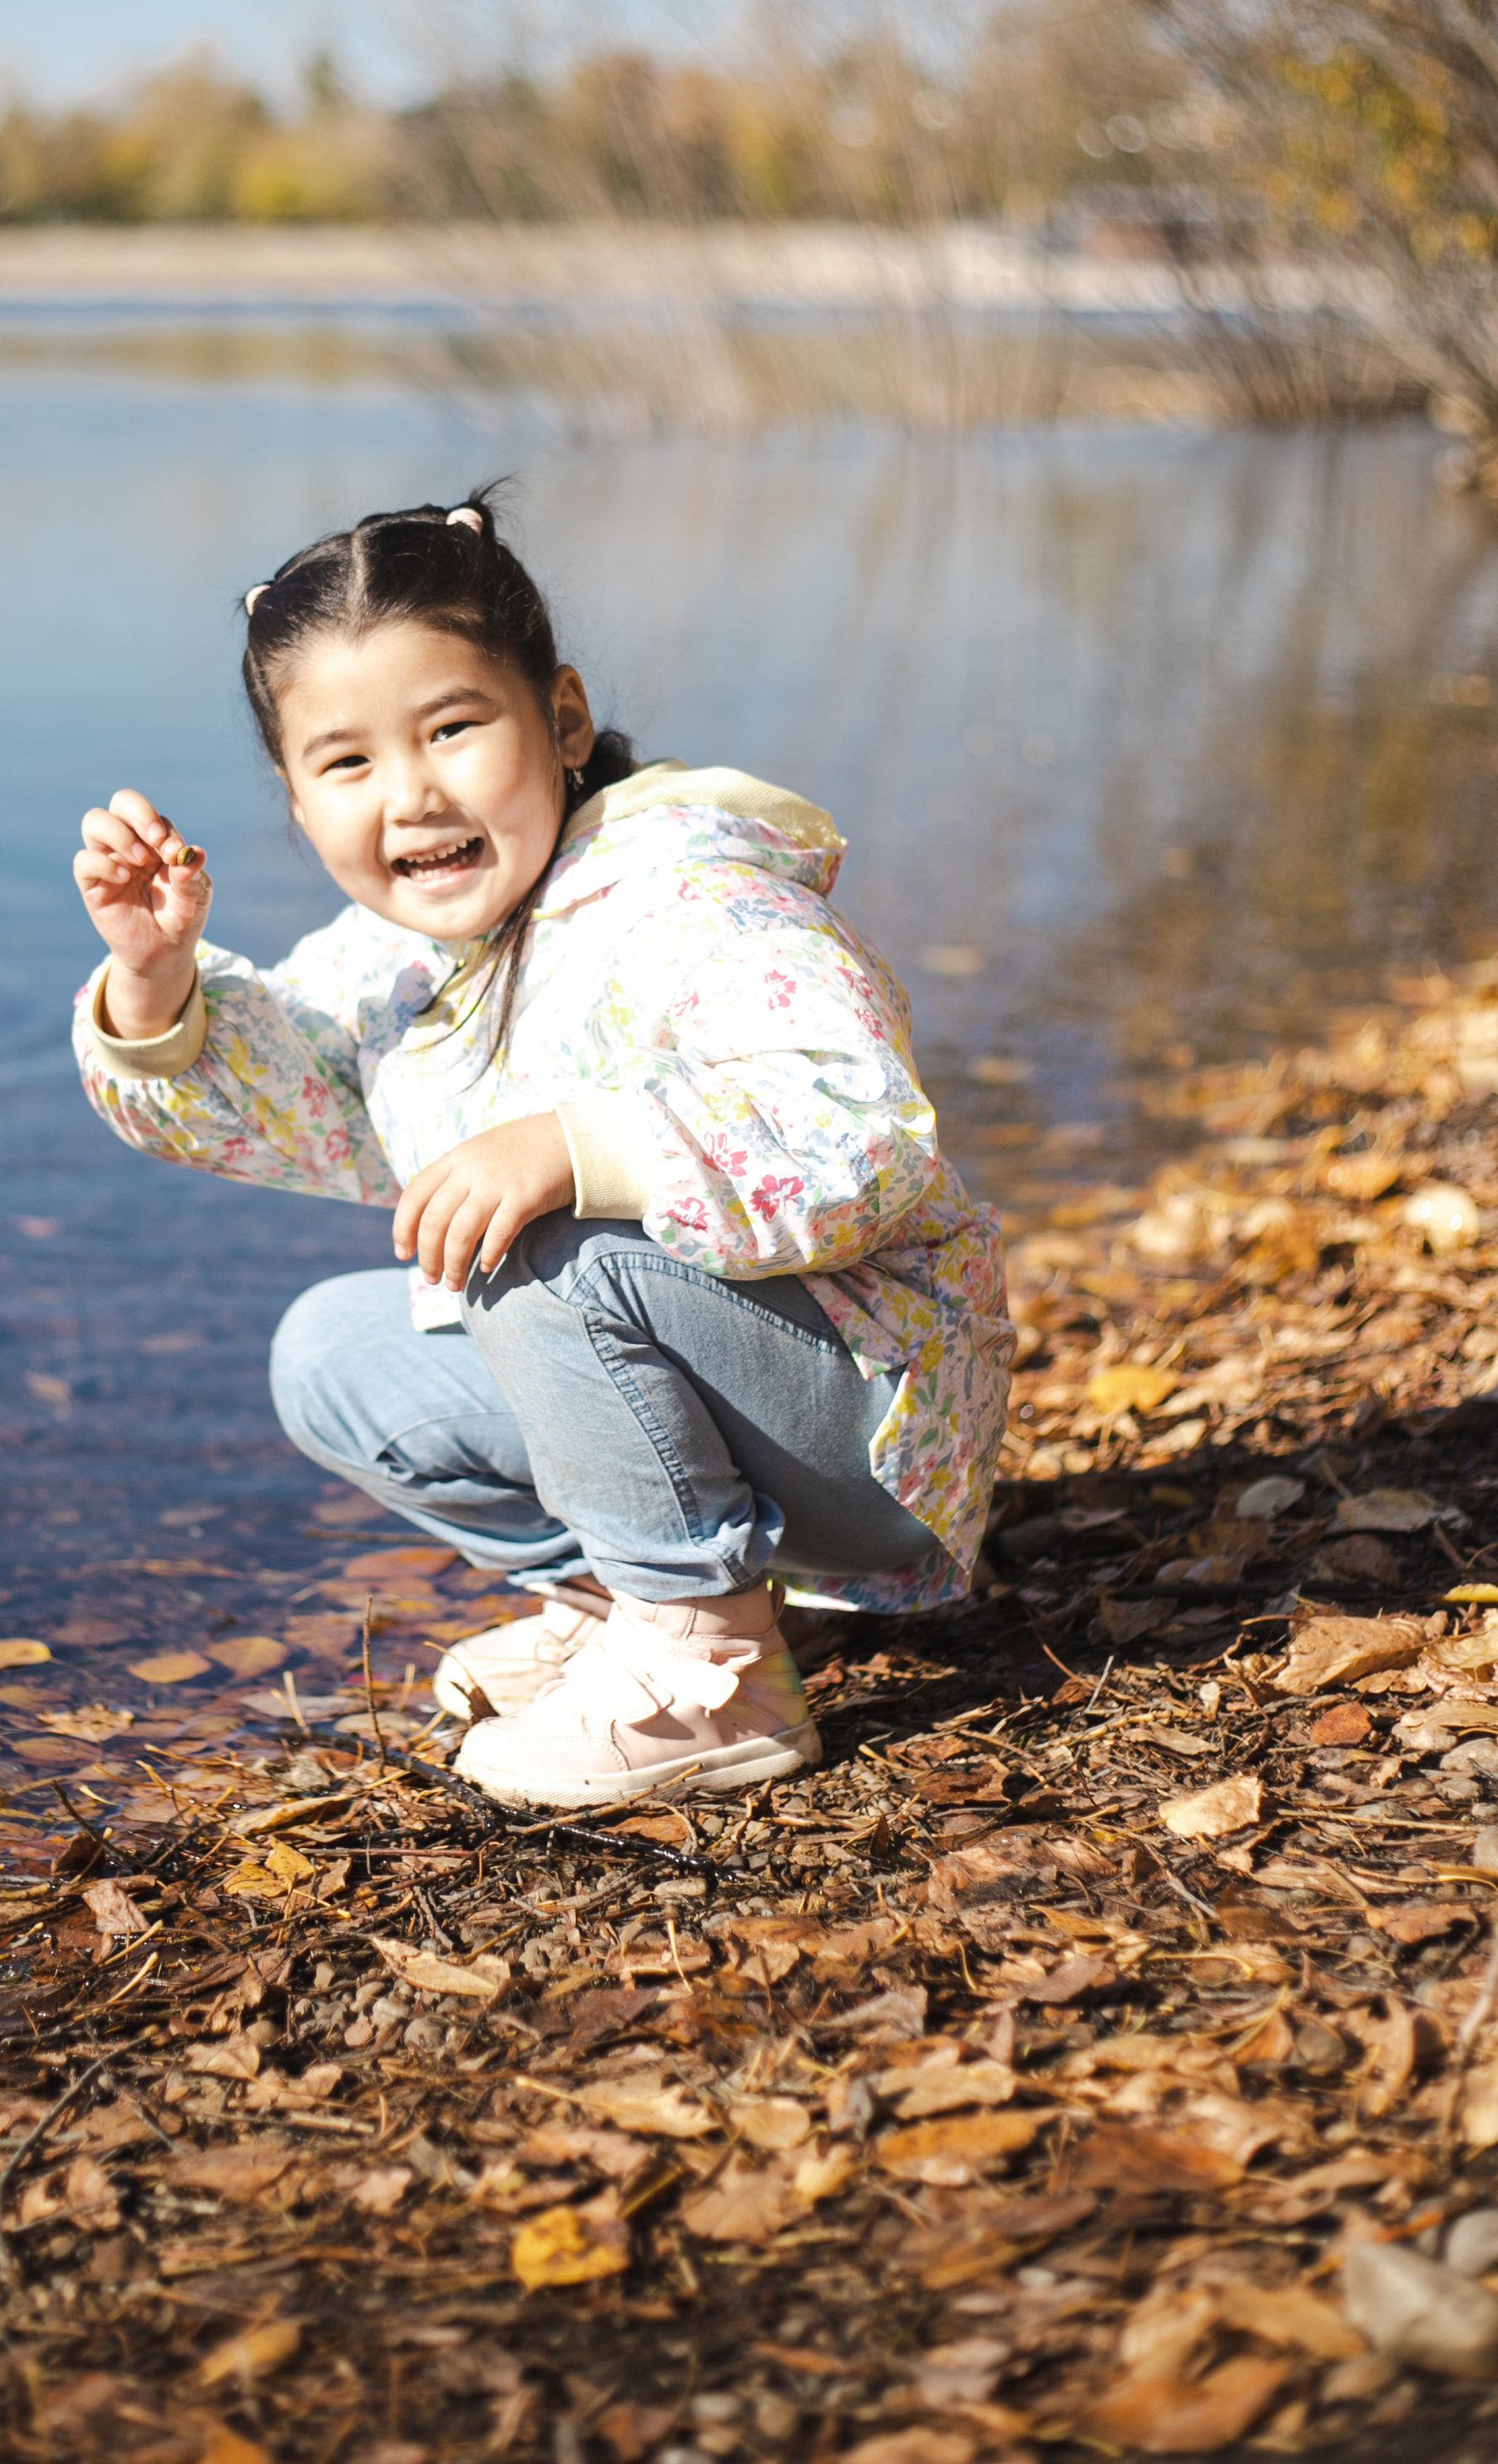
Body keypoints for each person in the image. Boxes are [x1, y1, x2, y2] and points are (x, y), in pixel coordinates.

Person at [70, 493, 1011, 1810]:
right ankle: (638, 1599)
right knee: (335, 1354)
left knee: (539, 1241)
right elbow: (289, 1097)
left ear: (562, 721)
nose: (412, 794)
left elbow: (862, 1129)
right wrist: (159, 984)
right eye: (346, 764)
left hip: (867, 1422)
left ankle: (711, 1670)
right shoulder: (400, 964)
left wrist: (579, 1148)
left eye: (454, 728)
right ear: (293, 801)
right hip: (754, 1429)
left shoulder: (691, 888)